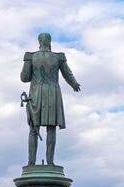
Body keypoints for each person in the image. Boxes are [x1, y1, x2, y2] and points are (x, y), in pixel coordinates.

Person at [21, 32, 80, 165]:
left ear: (39, 42)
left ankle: (31, 163)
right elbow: (68, 74)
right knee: (51, 128)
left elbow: (24, 78)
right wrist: (74, 84)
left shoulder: (31, 56)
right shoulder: (58, 57)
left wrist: (28, 63)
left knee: (33, 130)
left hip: (36, 93)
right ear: (50, 42)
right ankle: (50, 162)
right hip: (52, 93)